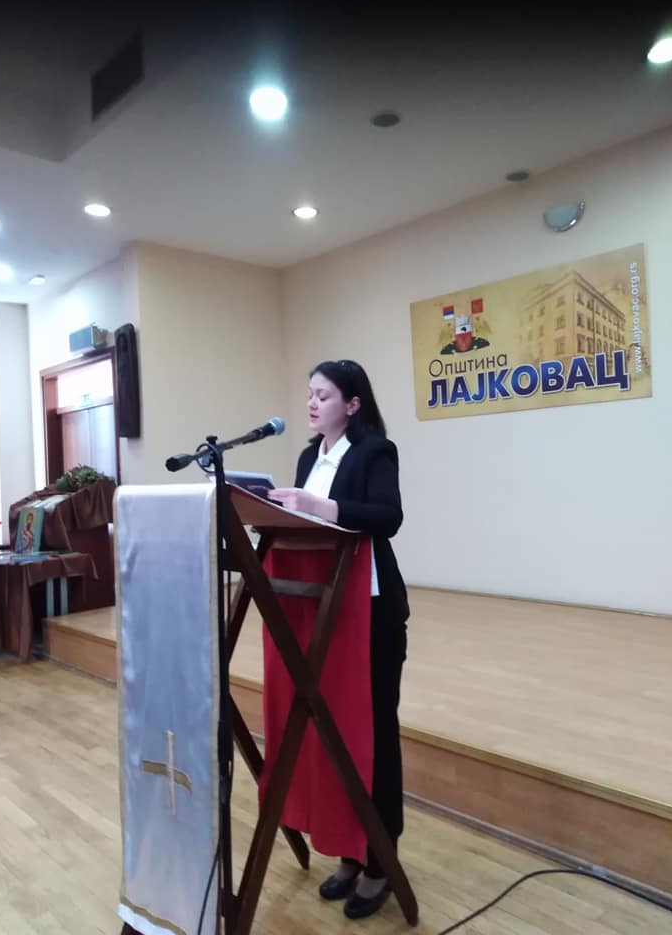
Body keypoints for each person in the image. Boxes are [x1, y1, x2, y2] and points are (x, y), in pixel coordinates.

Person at [268, 358, 409, 920]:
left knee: (374, 733)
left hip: (369, 612)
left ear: (352, 404)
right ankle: (350, 849)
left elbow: (387, 517)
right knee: (335, 735)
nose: (312, 402)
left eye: (323, 395)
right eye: (310, 393)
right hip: (323, 608)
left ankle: (380, 858)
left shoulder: (375, 451)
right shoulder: (309, 457)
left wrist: (319, 506)